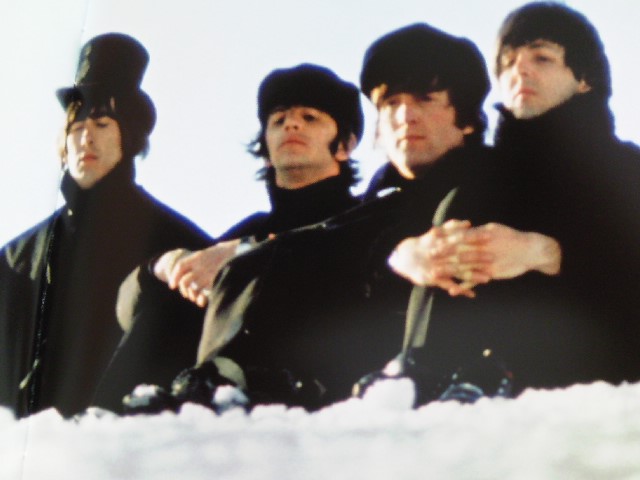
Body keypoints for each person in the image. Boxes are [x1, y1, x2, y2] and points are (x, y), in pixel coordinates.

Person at [124, 23, 512, 413]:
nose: (405, 115)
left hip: (462, 372)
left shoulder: (497, 180)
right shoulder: (377, 206)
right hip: (354, 372)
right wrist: (178, 263)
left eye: (425, 99)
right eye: (391, 103)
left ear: (466, 117)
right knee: (250, 265)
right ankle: (201, 389)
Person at [389, 2, 640, 393]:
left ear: (584, 79)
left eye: (541, 58)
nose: (519, 70)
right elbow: (374, 235)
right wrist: (409, 255)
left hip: (599, 383)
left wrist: (545, 253)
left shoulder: (625, 168)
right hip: (464, 388)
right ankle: (424, 377)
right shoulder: (474, 173)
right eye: (507, 63)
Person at [94, 64, 364, 413]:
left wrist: (250, 253)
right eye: (278, 120)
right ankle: (108, 418)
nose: (291, 125)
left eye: (310, 117)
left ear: (345, 145)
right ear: (266, 150)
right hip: (212, 390)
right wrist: (162, 267)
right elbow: (128, 308)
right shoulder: (249, 230)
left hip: (317, 384)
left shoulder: (363, 218)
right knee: (171, 298)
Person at [0, 33, 212, 418]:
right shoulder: (16, 257)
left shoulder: (177, 241)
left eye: (101, 124)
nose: (86, 139)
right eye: (76, 128)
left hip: (126, 436)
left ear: (128, 137)